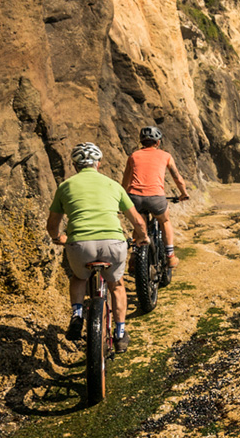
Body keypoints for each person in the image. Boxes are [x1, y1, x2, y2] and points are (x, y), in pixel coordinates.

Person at [47, 142, 149, 351]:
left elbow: (52, 225)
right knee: (117, 285)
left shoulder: (65, 186)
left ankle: (77, 314)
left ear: (75, 165)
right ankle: (120, 334)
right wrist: (143, 237)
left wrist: (58, 237)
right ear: (98, 164)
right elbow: (137, 222)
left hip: (80, 245)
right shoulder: (113, 185)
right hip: (113, 244)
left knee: (78, 277)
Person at [121, 126, 190, 269]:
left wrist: (125, 196)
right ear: (157, 143)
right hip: (156, 198)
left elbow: (125, 182)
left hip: (135, 198)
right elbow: (177, 177)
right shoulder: (166, 156)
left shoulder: (133, 156)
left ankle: (134, 256)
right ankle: (170, 256)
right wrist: (184, 193)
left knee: (139, 223)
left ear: (141, 142)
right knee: (164, 221)